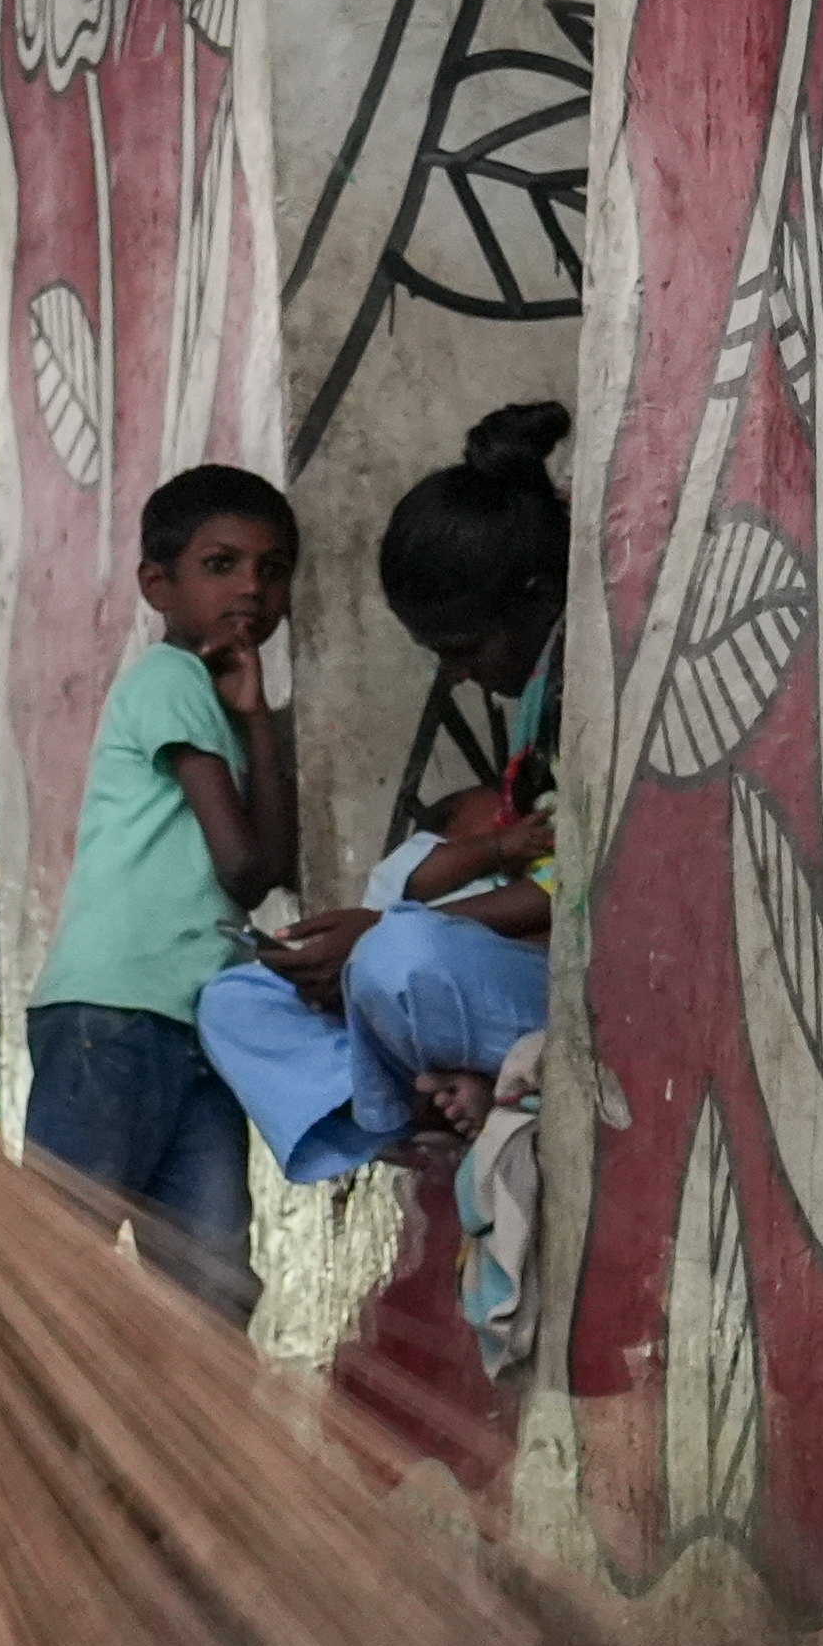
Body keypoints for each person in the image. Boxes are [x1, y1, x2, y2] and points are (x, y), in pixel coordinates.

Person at [199, 403, 572, 1190]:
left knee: (398, 957)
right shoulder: (537, 714)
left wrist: (379, 931)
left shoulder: (586, 695)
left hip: (573, 991)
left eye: (466, 650)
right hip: (476, 976)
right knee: (235, 1001)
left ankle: (420, 1089)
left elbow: (570, 890)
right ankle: (408, 1104)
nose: (462, 676)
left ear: (539, 594)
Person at [21, 463, 303, 1309]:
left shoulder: (213, 701)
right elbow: (247, 867)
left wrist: (255, 716)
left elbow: (271, 867)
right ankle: (27, 1439)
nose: (251, 588)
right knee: (61, 1266)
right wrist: (248, 722)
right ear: (158, 583)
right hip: (114, 1015)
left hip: (191, 1023)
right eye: (221, 565)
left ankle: (156, 1443)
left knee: (206, 1287)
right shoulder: (170, 680)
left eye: (273, 568)